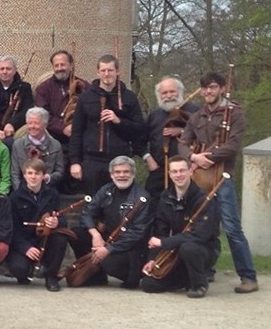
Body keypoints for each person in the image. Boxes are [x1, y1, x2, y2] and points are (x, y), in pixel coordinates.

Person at [178, 71, 257, 294]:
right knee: (203, 227)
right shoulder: (196, 116)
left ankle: (248, 277)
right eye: (204, 88)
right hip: (200, 179)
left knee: (232, 228)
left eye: (212, 87)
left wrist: (207, 158)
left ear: (221, 88)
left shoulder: (235, 113)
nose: (208, 92)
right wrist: (193, 158)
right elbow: (183, 144)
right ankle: (205, 271)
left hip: (223, 178)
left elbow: (233, 146)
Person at [67, 156, 151, 289]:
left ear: (133, 174)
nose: (121, 175)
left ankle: (130, 277)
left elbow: (138, 234)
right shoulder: (106, 190)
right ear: (111, 175)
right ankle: (96, 277)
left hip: (128, 248)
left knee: (109, 263)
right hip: (105, 238)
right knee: (76, 233)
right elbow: (87, 213)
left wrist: (108, 249)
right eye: (117, 172)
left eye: (126, 172)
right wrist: (95, 234)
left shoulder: (142, 198)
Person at [141, 157, 220, 298]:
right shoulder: (165, 197)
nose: (179, 175)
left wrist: (164, 243)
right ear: (170, 174)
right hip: (176, 249)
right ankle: (186, 279)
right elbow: (160, 231)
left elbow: (199, 235)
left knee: (189, 247)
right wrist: (153, 259)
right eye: (175, 171)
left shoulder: (204, 199)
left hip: (203, 249)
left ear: (190, 171)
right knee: (148, 285)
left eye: (182, 170)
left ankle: (199, 284)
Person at [68, 55, 144, 196]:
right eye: (103, 70)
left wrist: (118, 121)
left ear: (117, 71)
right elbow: (77, 132)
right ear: (98, 72)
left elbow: (139, 129)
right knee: (93, 203)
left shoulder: (129, 97)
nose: (106, 74)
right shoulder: (86, 98)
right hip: (92, 160)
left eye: (110, 70)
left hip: (120, 159)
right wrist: (75, 161)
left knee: (119, 202)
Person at [7, 159, 67, 292]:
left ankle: (51, 276)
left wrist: (57, 222)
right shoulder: (15, 197)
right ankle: (25, 273)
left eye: (37, 173)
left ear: (43, 176)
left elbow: (62, 218)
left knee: (60, 238)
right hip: (25, 241)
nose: (33, 177)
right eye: (30, 173)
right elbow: (12, 228)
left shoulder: (53, 194)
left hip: (45, 239)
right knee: (19, 269)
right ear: (24, 175)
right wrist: (25, 248)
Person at [143, 76, 199, 198]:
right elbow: (140, 140)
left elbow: (205, 136)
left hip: (187, 172)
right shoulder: (154, 115)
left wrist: (182, 131)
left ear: (180, 92)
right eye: (164, 93)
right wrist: (149, 159)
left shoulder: (195, 111)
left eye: (172, 91)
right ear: (159, 95)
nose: (169, 96)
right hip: (159, 171)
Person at [34, 50, 89, 146]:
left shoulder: (84, 86)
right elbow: (43, 115)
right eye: (56, 65)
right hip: (53, 137)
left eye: (63, 64)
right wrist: (62, 128)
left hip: (81, 136)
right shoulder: (43, 88)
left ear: (71, 65)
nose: (59, 68)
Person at [11, 107, 65, 191]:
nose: (32, 126)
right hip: (23, 190)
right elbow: (15, 174)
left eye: (36, 123)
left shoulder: (55, 145)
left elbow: (60, 172)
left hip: (48, 190)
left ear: (45, 125)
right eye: (30, 123)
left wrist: (48, 178)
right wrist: (21, 192)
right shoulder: (18, 145)